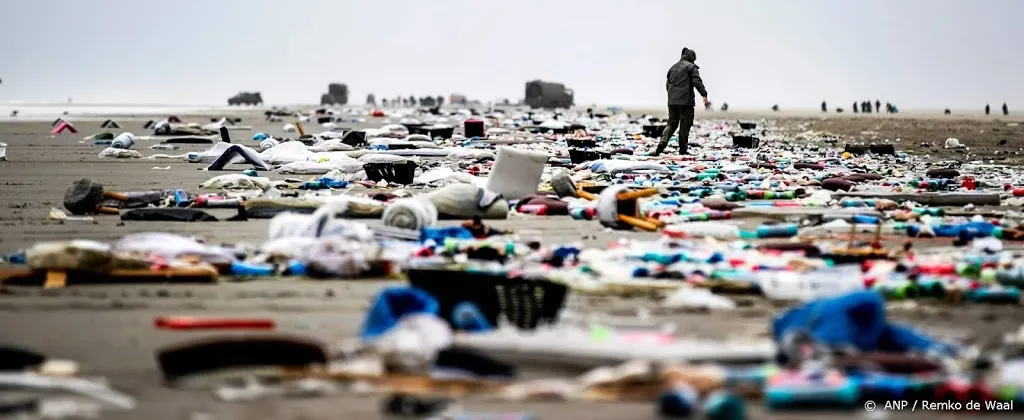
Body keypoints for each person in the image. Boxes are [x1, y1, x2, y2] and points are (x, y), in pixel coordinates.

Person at [654, 47, 709, 156]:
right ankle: (682, 150)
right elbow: (697, 82)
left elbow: (667, 86)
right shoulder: (691, 67)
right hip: (686, 102)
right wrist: (704, 94)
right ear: (692, 57)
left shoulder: (672, 68)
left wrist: (673, 97)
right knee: (685, 125)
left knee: (671, 124)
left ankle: (662, 143)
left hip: (672, 102)